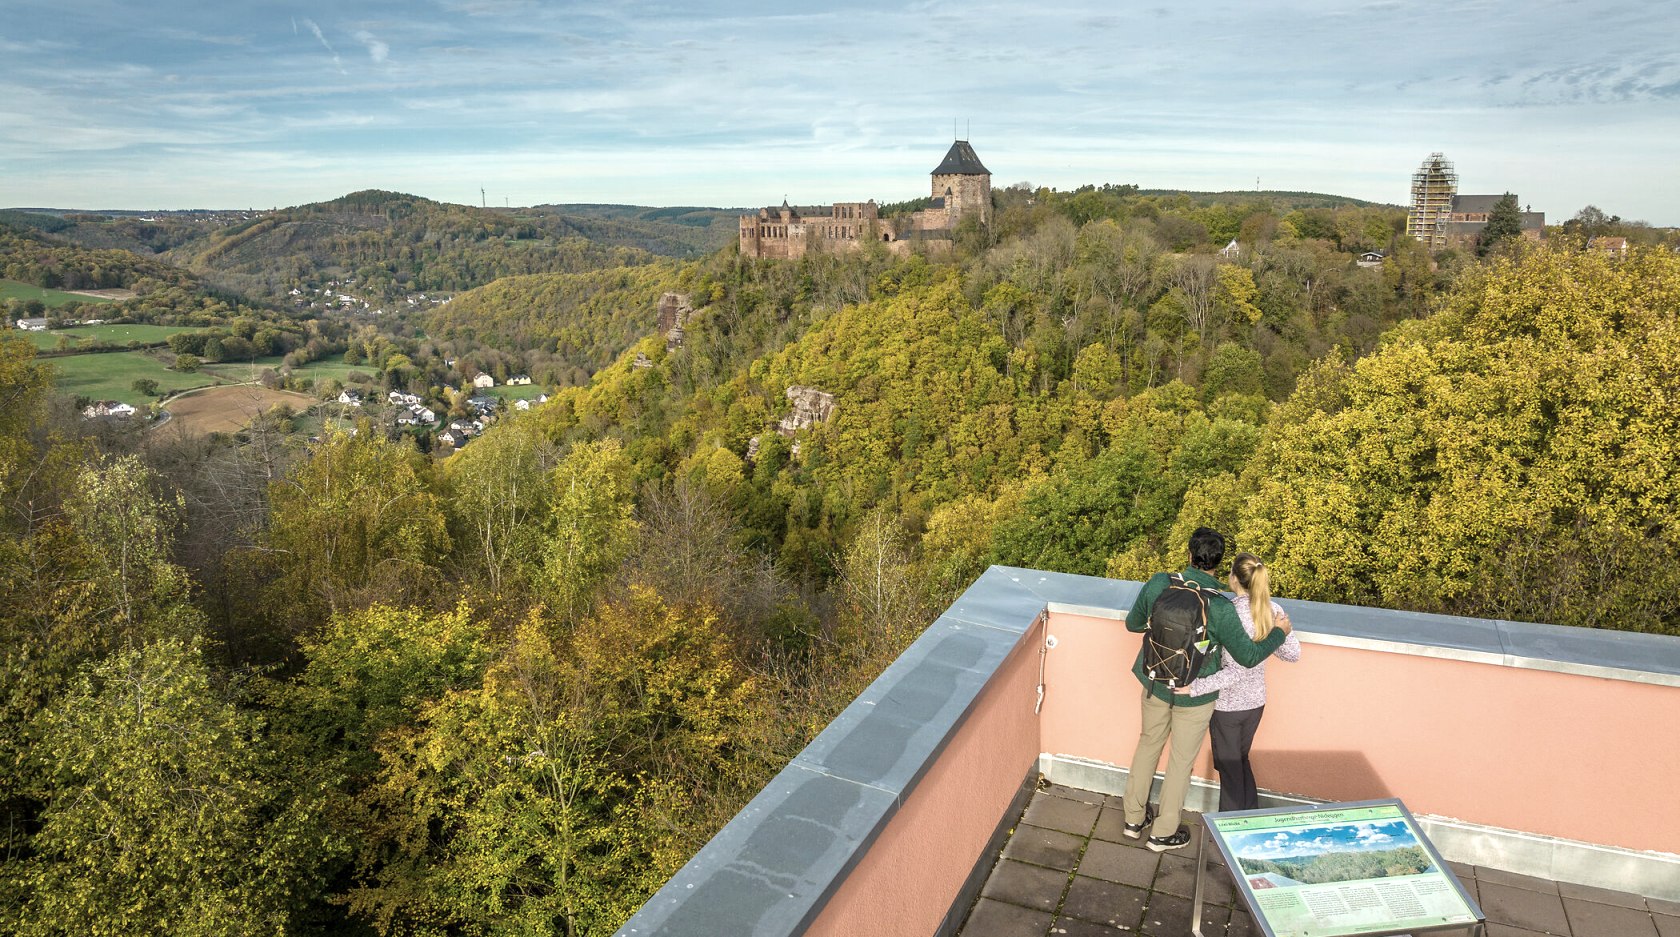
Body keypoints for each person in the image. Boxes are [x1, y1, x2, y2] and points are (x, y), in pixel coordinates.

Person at [1121, 528, 1290, 851]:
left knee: (1147, 747)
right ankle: (1163, 833)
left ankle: (1133, 819)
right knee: (1181, 761)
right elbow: (1250, 656)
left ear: (1189, 555)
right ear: (1220, 565)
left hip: (1155, 681)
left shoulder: (1160, 583)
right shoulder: (1220, 608)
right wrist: (1279, 633)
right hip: (1194, 694)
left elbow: (1132, 624)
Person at [1176, 552, 1301, 812]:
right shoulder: (1273, 609)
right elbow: (1292, 653)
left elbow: (1235, 671)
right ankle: (1250, 820)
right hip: (1255, 704)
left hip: (1228, 708)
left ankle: (1230, 834)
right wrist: (1277, 633)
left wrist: (1194, 688)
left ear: (1233, 578)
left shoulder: (1229, 613)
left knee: (1230, 772)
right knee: (1240, 763)